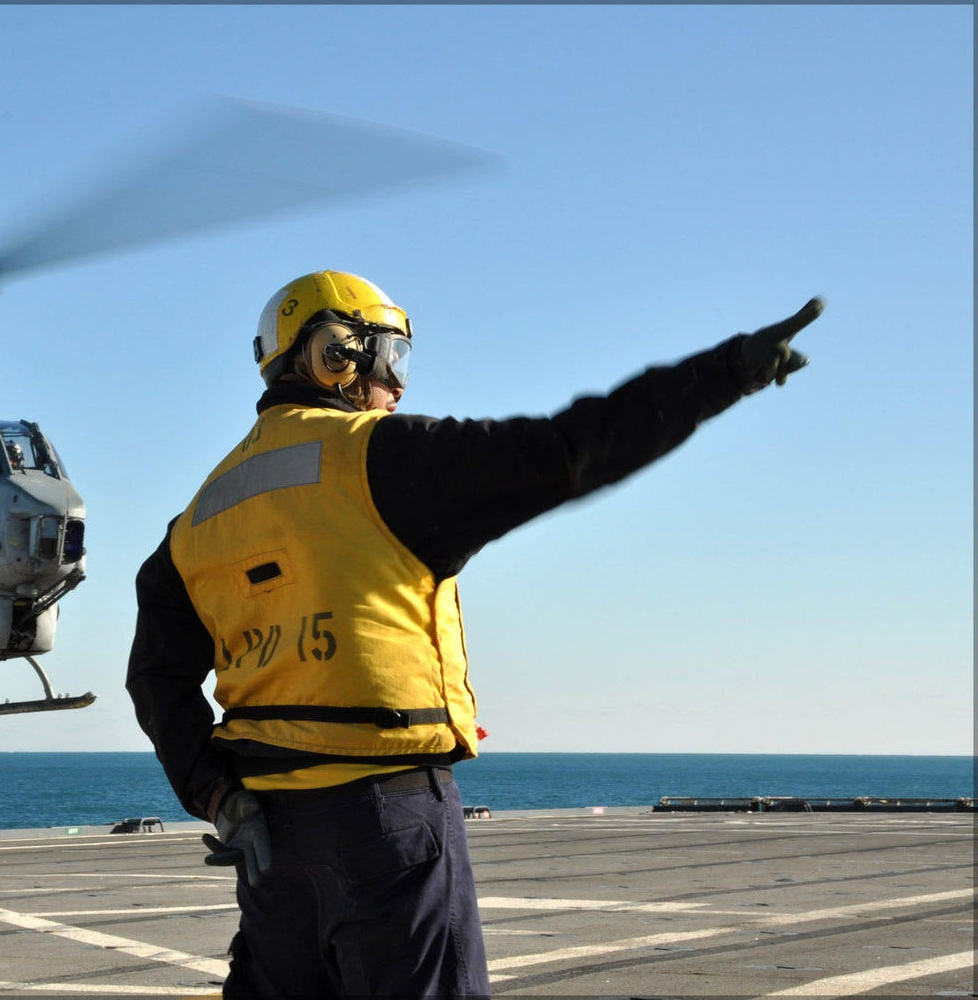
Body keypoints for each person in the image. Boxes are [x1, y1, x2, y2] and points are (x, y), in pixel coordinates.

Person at [126, 270, 824, 998]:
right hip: (386, 819)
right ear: (338, 354)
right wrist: (726, 372)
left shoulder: (197, 519)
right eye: (391, 358)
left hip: (264, 832)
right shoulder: (381, 456)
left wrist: (216, 796)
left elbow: (157, 681)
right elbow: (570, 449)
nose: (398, 384)